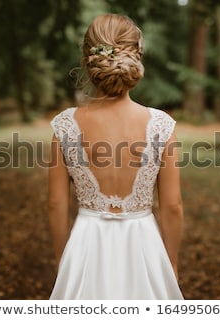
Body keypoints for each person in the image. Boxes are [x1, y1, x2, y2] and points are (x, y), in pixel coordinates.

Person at [48, 13, 184, 299]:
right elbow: (172, 206)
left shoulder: (66, 125)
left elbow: (56, 204)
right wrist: (170, 261)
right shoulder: (160, 125)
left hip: (85, 247)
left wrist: (63, 260)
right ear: (136, 56)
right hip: (144, 246)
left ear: (87, 59)